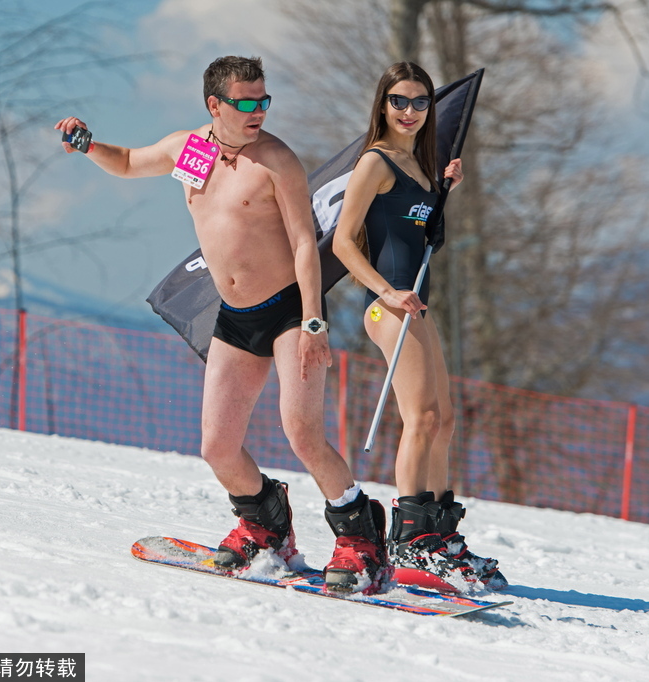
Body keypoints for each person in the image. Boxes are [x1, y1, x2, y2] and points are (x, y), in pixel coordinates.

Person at [56, 56, 391, 594]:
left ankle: (361, 537)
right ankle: (266, 523)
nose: (259, 111)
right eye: (247, 102)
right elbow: (128, 161)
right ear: (215, 105)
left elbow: (306, 243)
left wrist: (313, 320)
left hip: (290, 311)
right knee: (217, 447)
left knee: (302, 434)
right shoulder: (189, 149)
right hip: (235, 317)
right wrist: (89, 144)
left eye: (264, 100)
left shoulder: (276, 159)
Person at [331, 62, 506, 591]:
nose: (409, 111)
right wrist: (385, 291)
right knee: (421, 416)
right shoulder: (376, 162)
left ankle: (440, 535)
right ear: (383, 105)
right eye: (399, 101)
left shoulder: (424, 167)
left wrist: (443, 192)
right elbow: (343, 241)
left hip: (416, 307)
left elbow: (421, 238)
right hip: (388, 308)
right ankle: (410, 540)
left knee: (444, 419)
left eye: (420, 102)